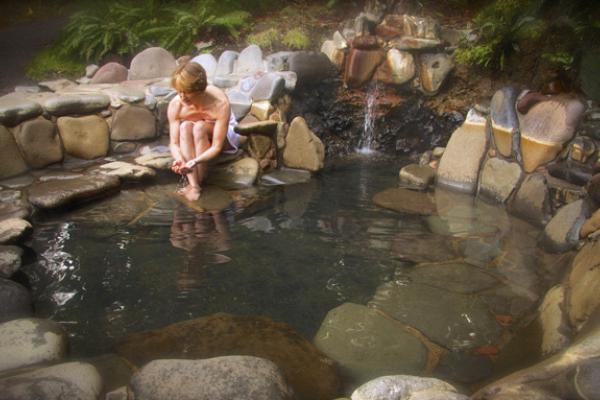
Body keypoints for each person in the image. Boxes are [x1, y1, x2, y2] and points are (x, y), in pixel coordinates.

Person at [168, 61, 243, 201]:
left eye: (187, 92)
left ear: (200, 90)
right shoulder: (176, 105)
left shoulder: (219, 103)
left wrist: (195, 161)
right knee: (185, 127)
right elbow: (174, 143)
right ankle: (194, 185)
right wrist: (180, 161)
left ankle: (199, 183)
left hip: (223, 136)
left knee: (199, 127)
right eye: (179, 92)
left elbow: (216, 146)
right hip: (198, 131)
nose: (182, 97)